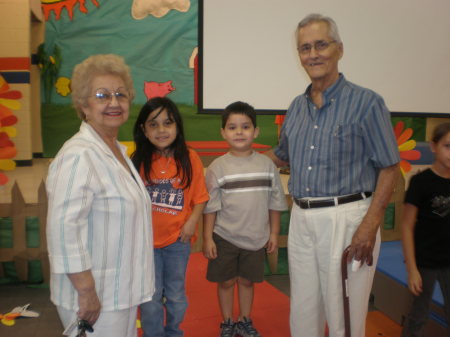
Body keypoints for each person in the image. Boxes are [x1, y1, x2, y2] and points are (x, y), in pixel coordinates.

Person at [265, 14, 401, 337]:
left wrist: (370, 224)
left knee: (345, 318)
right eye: (305, 48)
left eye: (321, 45)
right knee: (303, 314)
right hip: (302, 219)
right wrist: (236, 163)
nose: (312, 54)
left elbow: (390, 166)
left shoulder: (367, 103)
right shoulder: (296, 108)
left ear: (339, 49)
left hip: (349, 220)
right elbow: (281, 155)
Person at [46, 54, 155, 337]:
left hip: (118, 292)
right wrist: (87, 291)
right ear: (83, 105)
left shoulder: (116, 151)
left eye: (121, 94)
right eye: (101, 95)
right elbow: (63, 229)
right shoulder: (79, 155)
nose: (114, 102)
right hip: (94, 297)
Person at [203, 101, 288, 337]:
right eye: (232, 127)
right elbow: (211, 207)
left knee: (247, 282)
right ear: (223, 132)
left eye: (245, 126)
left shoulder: (267, 165)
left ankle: (245, 320)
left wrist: (273, 233)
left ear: (256, 131)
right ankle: (228, 321)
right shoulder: (217, 167)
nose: (239, 132)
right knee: (227, 282)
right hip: (225, 237)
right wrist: (208, 238)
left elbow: (275, 203)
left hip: (256, 237)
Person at [131, 97, 209, 337]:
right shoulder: (137, 160)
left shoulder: (189, 157)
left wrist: (191, 224)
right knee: (150, 295)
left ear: (177, 126)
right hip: (146, 244)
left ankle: (174, 331)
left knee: (175, 294)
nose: (162, 130)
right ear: (143, 129)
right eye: (153, 124)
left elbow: (200, 197)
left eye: (168, 123)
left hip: (178, 241)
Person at [401, 122, 450, 337]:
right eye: (447, 146)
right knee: (418, 317)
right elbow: (407, 225)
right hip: (425, 263)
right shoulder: (421, 182)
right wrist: (412, 269)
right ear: (433, 146)